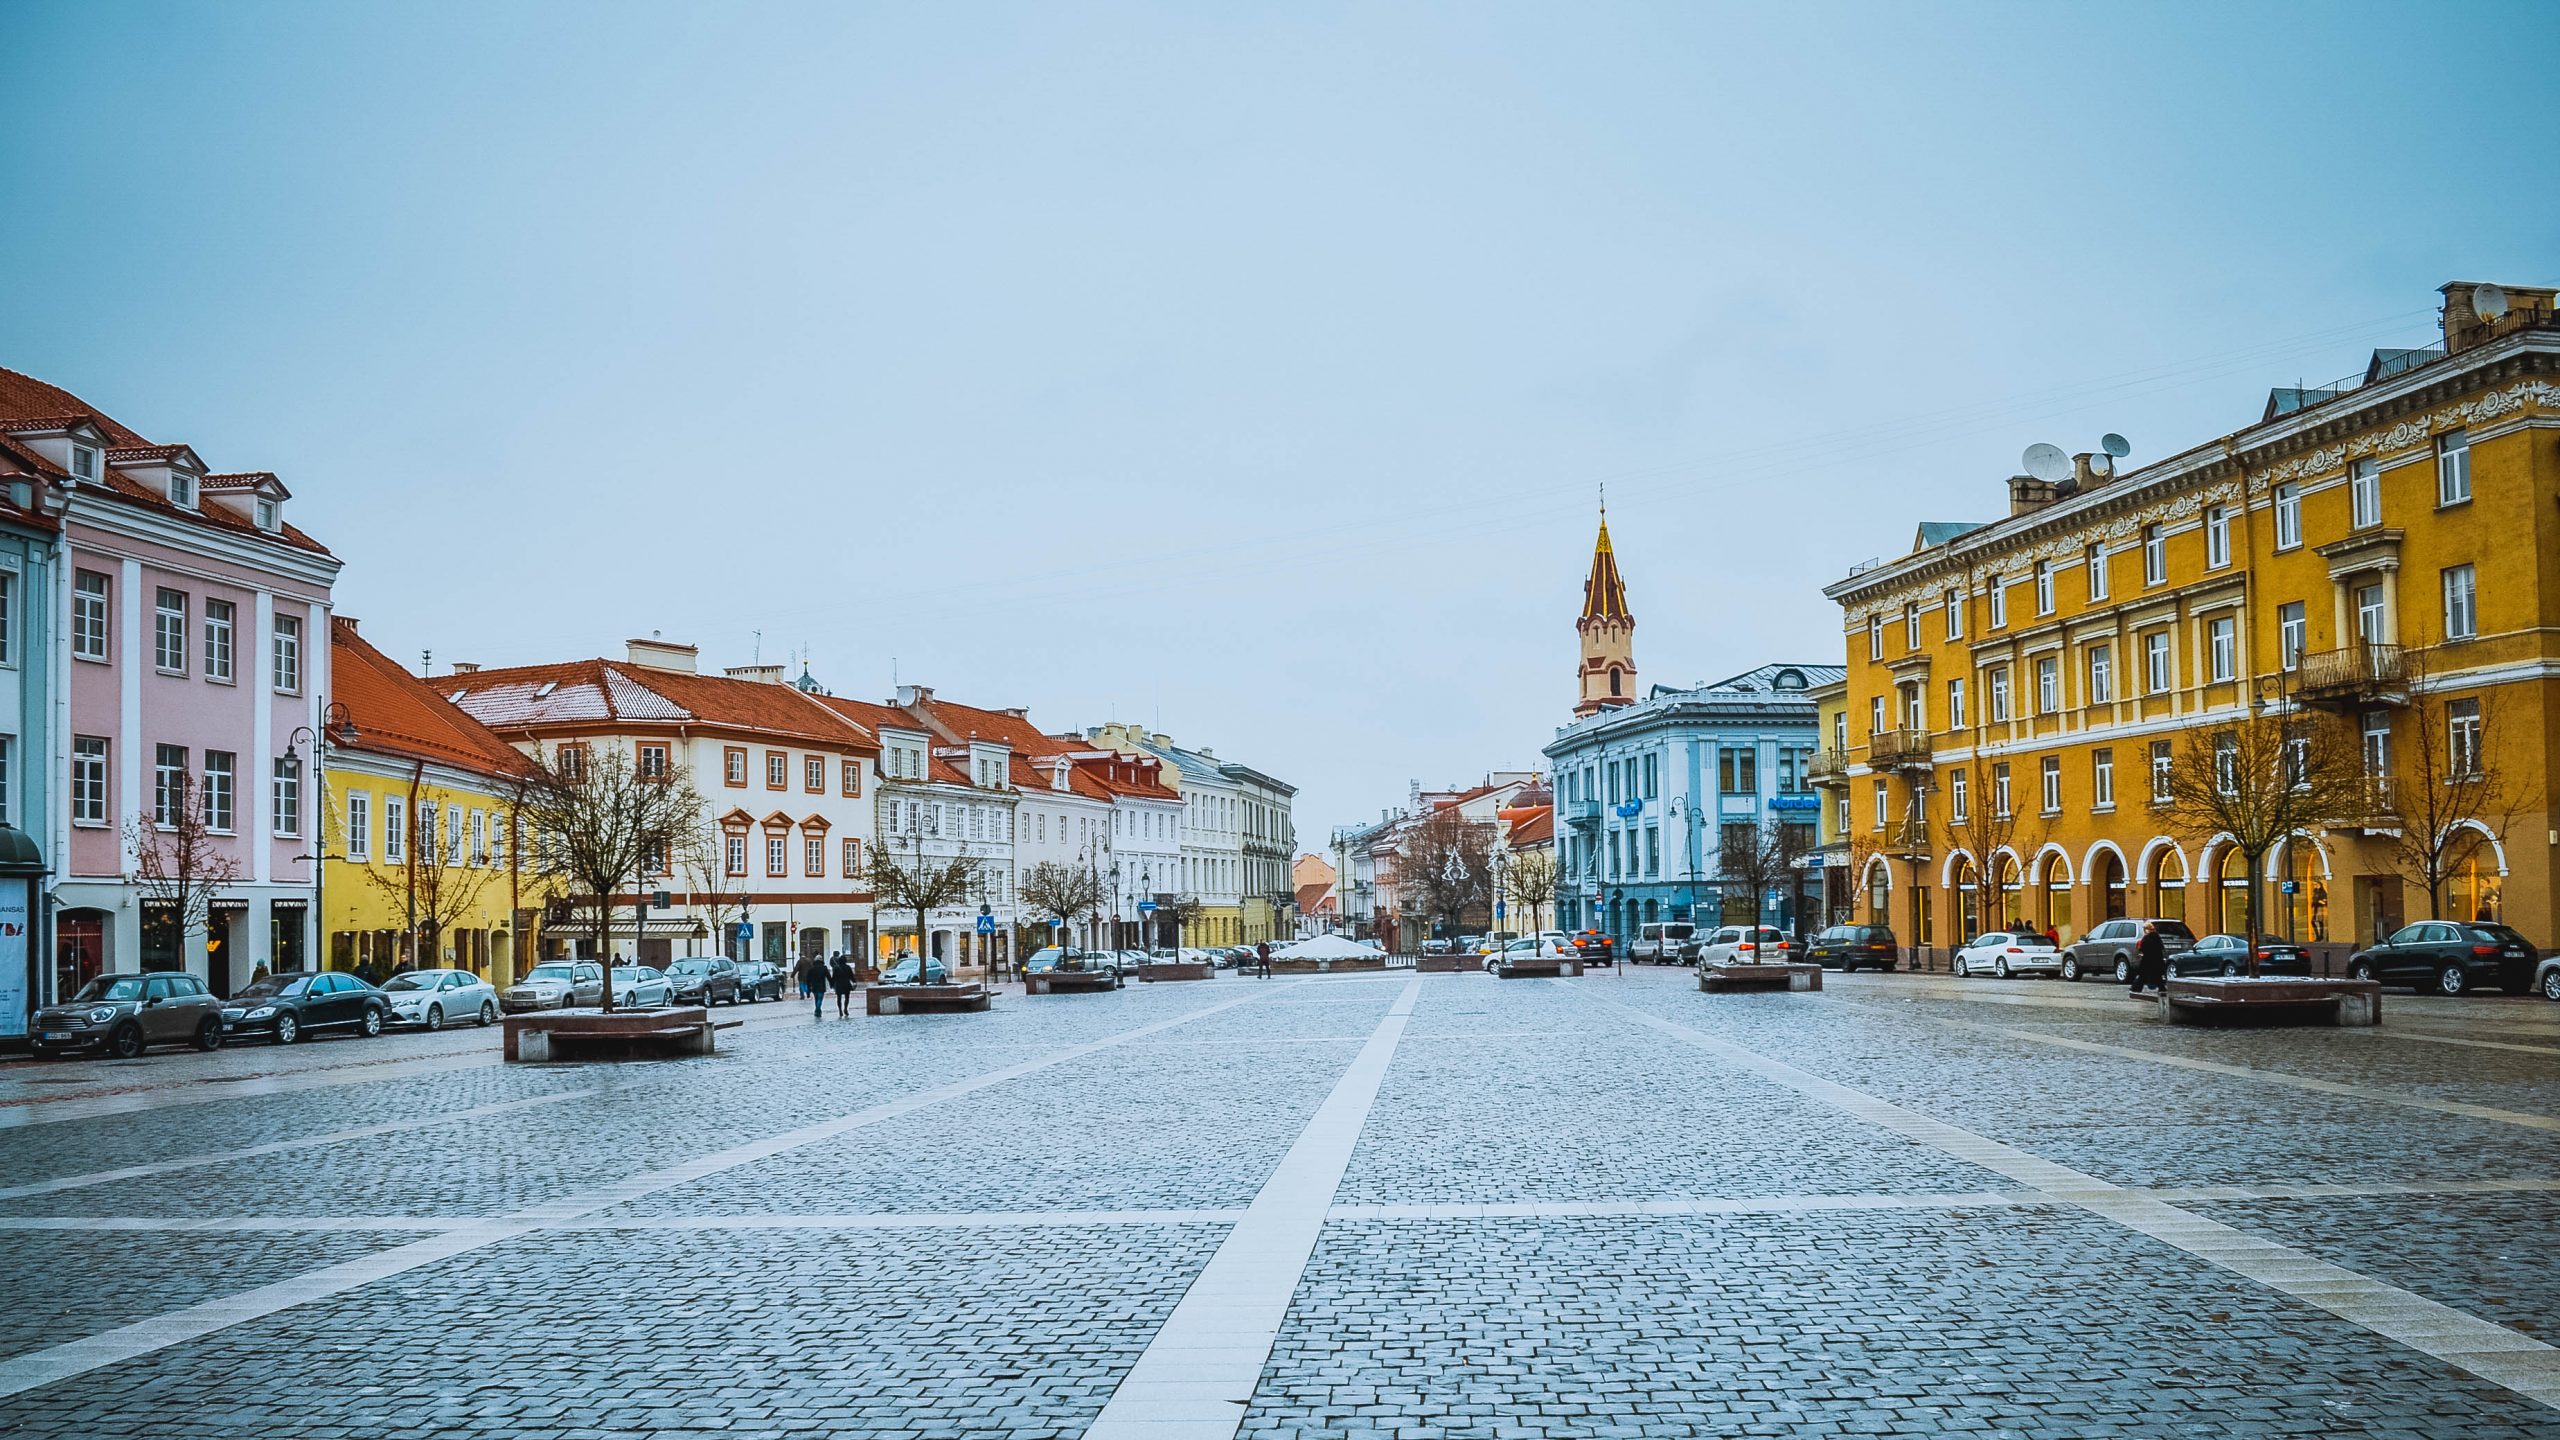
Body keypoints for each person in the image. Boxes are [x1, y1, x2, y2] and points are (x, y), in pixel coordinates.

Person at [2133, 921, 2166, 995]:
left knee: (2142, 975)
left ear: (2147, 929)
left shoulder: (2147, 938)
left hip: (2147, 960)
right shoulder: (2157, 937)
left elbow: (2143, 948)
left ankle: (2136, 989)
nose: (2144, 931)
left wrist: (2140, 949)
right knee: (2157, 976)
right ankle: (2162, 988)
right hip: (2157, 960)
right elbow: (2161, 948)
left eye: (2144, 929)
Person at [795, 951, 828, 1020]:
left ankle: (817, 1009)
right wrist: (832, 983)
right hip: (821, 986)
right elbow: (829, 977)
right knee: (820, 998)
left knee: (816, 998)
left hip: (814, 986)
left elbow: (808, 979)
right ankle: (818, 1009)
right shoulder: (824, 968)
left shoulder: (811, 969)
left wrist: (809, 988)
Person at [829, 952, 857, 1017]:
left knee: (839, 998)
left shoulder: (836, 968)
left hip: (838, 985)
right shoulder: (848, 967)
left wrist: (831, 984)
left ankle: (840, 1010)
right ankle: (845, 1009)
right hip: (846, 984)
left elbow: (834, 977)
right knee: (847, 997)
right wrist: (854, 982)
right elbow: (851, 976)